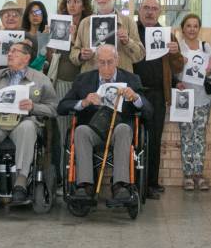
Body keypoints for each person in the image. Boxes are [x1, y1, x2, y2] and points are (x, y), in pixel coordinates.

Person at [58, 45, 150, 207]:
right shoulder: (83, 79)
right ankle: (85, 185)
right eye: (101, 63)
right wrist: (84, 102)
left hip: (119, 130)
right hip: (92, 130)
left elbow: (149, 111)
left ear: (117, 60)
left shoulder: (131, 79)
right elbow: (62, 107)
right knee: (80, 130)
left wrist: (135, 98)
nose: (106, 67)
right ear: (95, 62)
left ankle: (120, 185)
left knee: (123, 128)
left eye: (110, 62)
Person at [0, 42, 58, 206]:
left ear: (26, 57)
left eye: (15, 52)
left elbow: (53, 108)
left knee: (28, 127)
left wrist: (34, 107)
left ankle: (20, 184)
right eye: (9, 51)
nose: (9, 54)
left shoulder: (40, 79)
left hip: (23, 121)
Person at [132, 0, 180, 199]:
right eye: (146, 8)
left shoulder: (168, 34)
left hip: (158, 94)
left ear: (160, 12)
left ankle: (151, 182)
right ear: (139, 10)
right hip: (132, 93)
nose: (150, 12)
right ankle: (130, 182)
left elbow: (178, 67)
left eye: (154, 8)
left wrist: (176, 54)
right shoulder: (130, 31)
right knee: (131, 138)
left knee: (153, 139)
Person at [45, 0, 94, 181]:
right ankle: (63, 175)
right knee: (62, 129)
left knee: (82, 130)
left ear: (84, 5)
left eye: (76, 1)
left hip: (84, 82)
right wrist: (49, 40)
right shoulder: (59, 23)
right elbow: (50, 58)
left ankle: (81, 175)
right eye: (69, 1)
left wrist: (75, 38)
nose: (72, 5)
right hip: (62, 80)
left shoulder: (88, 25)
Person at [174, 13, 211, 191]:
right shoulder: (177, 47)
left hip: (202, 97)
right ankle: (187, 175)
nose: (192, 29)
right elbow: (171, 71)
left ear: (199, 28)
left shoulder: (205, 47)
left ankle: (199, 174)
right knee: (186, 135)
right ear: (183, 28)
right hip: (184, 97)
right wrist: (177, 76)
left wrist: (210, 72)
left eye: (195, 26)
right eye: (189, 26)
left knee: (200, 136)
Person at [70, 0, 144, 73]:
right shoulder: (85, 23)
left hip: (119, 81)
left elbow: (139, 56)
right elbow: (73, 53)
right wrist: (81, 55)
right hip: (91, 80)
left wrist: (127, 42)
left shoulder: (128, 22)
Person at [0, 1, 38, 75]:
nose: (11, 18)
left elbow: (36, 66)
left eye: (15, 15)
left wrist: (29, 51)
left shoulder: (30, 39)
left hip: (23, 81)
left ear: (20, 18)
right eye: (7, 15)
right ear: (1, 19)